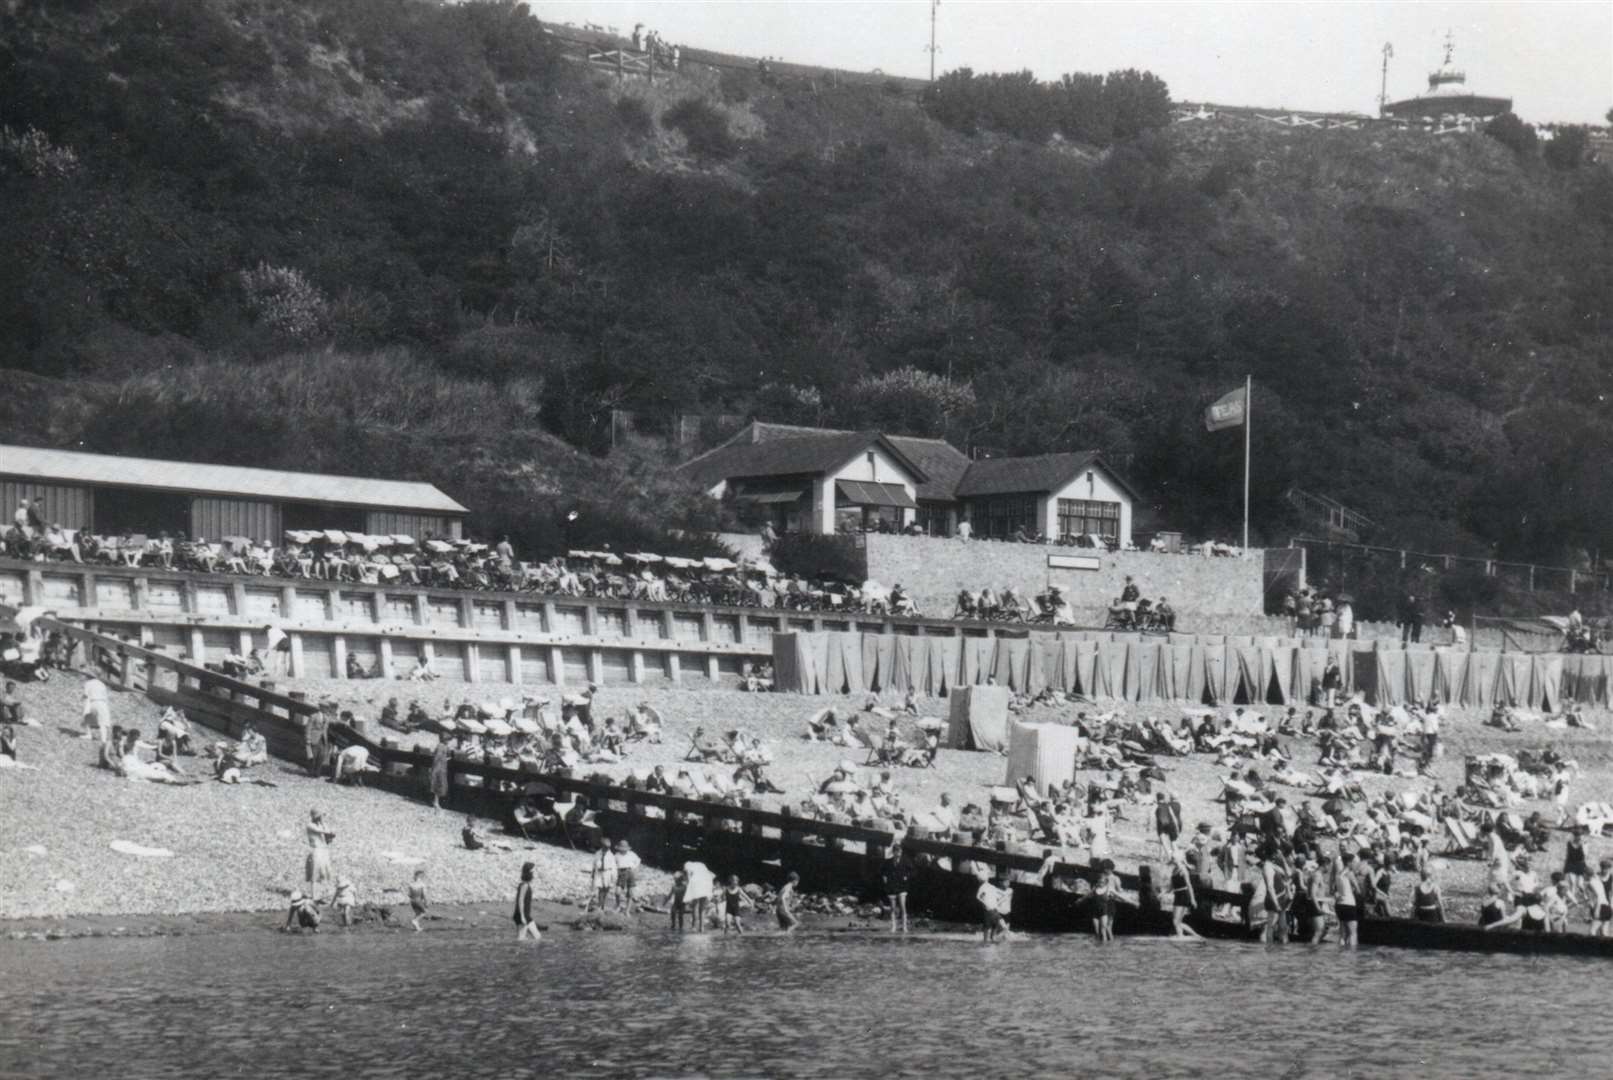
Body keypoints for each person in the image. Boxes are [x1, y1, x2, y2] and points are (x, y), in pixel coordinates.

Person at [1332, 849, 1359, 950]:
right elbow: (1358, 889)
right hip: (1349, 904)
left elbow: (1336, 889)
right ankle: (1352, 955)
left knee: (1343, 933)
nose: (1355, 864)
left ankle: (1341, 954)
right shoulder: (1350, 874)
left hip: (1339, 904)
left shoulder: (1338, 874)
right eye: (1354, 862)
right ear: (1349, 863)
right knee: (1353, 933)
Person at [1169, 854, 1200, 938]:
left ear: (1179, 859)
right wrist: (1163, 893)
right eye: (1172, 858)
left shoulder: (1183, 870)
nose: (1172, 860)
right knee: (1177, 921)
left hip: (1183, 895)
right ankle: (1181, 935)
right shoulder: (1174, 870)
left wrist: (1193, 899)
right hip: (1177, 895)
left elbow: (1189, 885)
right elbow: (1171, 886)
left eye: (1174, 858)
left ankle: (1195, 935)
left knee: (1176, 921)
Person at [881, 844, 911, 933]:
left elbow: (912, 870)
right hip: (892, 886)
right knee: (893, 907)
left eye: (900, 852)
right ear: (893, 852)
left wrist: (907, 876)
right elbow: (882, 871)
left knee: (902, 906)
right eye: (897, 852)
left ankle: (904, 926)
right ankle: (893, 927)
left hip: (902, 886)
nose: (899, 854)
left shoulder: (905, 861)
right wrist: (885, 878)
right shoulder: (888, 862)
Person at [305, 810, 335, 897]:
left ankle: (320, 895)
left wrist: (324, 826)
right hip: (316, 850)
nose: (321, 818)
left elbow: (328, 838)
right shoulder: (310, 825)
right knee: (315, 873)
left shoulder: (322, 825)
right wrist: (327, 829)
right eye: (320, 816)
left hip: (324, 850)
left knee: (324, 873)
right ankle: (314, 896)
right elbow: (323, 832)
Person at [1092, 860, 1120, 943]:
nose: (1105, 870)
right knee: (1101, 928)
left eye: (1106, 868)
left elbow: (1119, 890)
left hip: (1110, 902)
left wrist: (1113, 893)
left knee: (1108, 927)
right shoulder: (1102, 877)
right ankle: (1102, 945)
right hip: (1102, 902)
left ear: (1111, 869)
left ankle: (1111, 944)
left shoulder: (1115, 878)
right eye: (1104, 868)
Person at [514, 862, 541, 942]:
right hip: (522, 915)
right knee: (521, 939)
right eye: (534, 871)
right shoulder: (524, 885)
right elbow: (520, 900)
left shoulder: (525, 884)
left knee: (537, 937)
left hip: (525, 915)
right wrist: (522, 916)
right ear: (529, 872)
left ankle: (524, 951)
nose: (535, 872)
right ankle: (518, 952)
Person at [81, 673, 111, 743]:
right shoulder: (102, 684)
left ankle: (88, 734)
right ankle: (103, 739)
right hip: (103, 703)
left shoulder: (88, 683)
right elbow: (106, 696)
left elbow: (85, 694)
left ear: (88, 676)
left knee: (87, 717)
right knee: (103, 721)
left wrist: (82, 699)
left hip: (93, 702)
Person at [1154, 791, 1182, 860]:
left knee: (1163, 840)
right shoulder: (1178, 805)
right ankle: (1176, 857)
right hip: (1175, 823)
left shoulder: (1167, 805)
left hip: (1165, 823)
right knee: (1173, 841)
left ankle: (1164, 856)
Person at [590, 843, 618, 912]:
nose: (606, 848)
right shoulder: (598, 853)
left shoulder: (611, 855)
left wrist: (613, 878)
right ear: (602, 846)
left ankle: (603, 905)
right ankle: (599, 905)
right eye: (605, 847)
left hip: (607, 873)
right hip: (599, 873)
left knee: (606, 889)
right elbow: (594, 863)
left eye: (607, 847)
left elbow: (613, 868)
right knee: (600, 889)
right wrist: (593, 873)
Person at [614, 839, 640, 912]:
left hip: (630, 872)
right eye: (621, 848)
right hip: (620, 873)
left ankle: (627, 911)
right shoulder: (616, 855)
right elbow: (613, 865)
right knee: (617, 892)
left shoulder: (631, 854)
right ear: (619, 848)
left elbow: (638, 861)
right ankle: (618, 905)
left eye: (624, 848)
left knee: (630, 892)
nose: (623, 850)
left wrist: (635, 869)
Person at [429, 738, 451, 810]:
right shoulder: (441, 746)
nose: (448, 741)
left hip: (441, 767)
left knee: (439, 784)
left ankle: (436, 801)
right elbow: (437, 757)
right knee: (439, 784)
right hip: (439, 767)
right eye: (448, 740)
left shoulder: (442, 746)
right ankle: (436, 802)